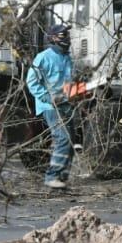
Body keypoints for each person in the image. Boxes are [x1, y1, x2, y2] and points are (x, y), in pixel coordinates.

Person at [25, 23, 74, 190]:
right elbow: (31, 82)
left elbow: (68, 84)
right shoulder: (43, 57)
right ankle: (52, 176)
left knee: (71, 141)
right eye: (62, 35)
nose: (66, 38)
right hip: (50, 106)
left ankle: (61, 179)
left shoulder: (67, 58)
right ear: (53, 38)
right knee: (63, 138)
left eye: (67, 35)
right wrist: (48, 97)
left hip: (66, 104)